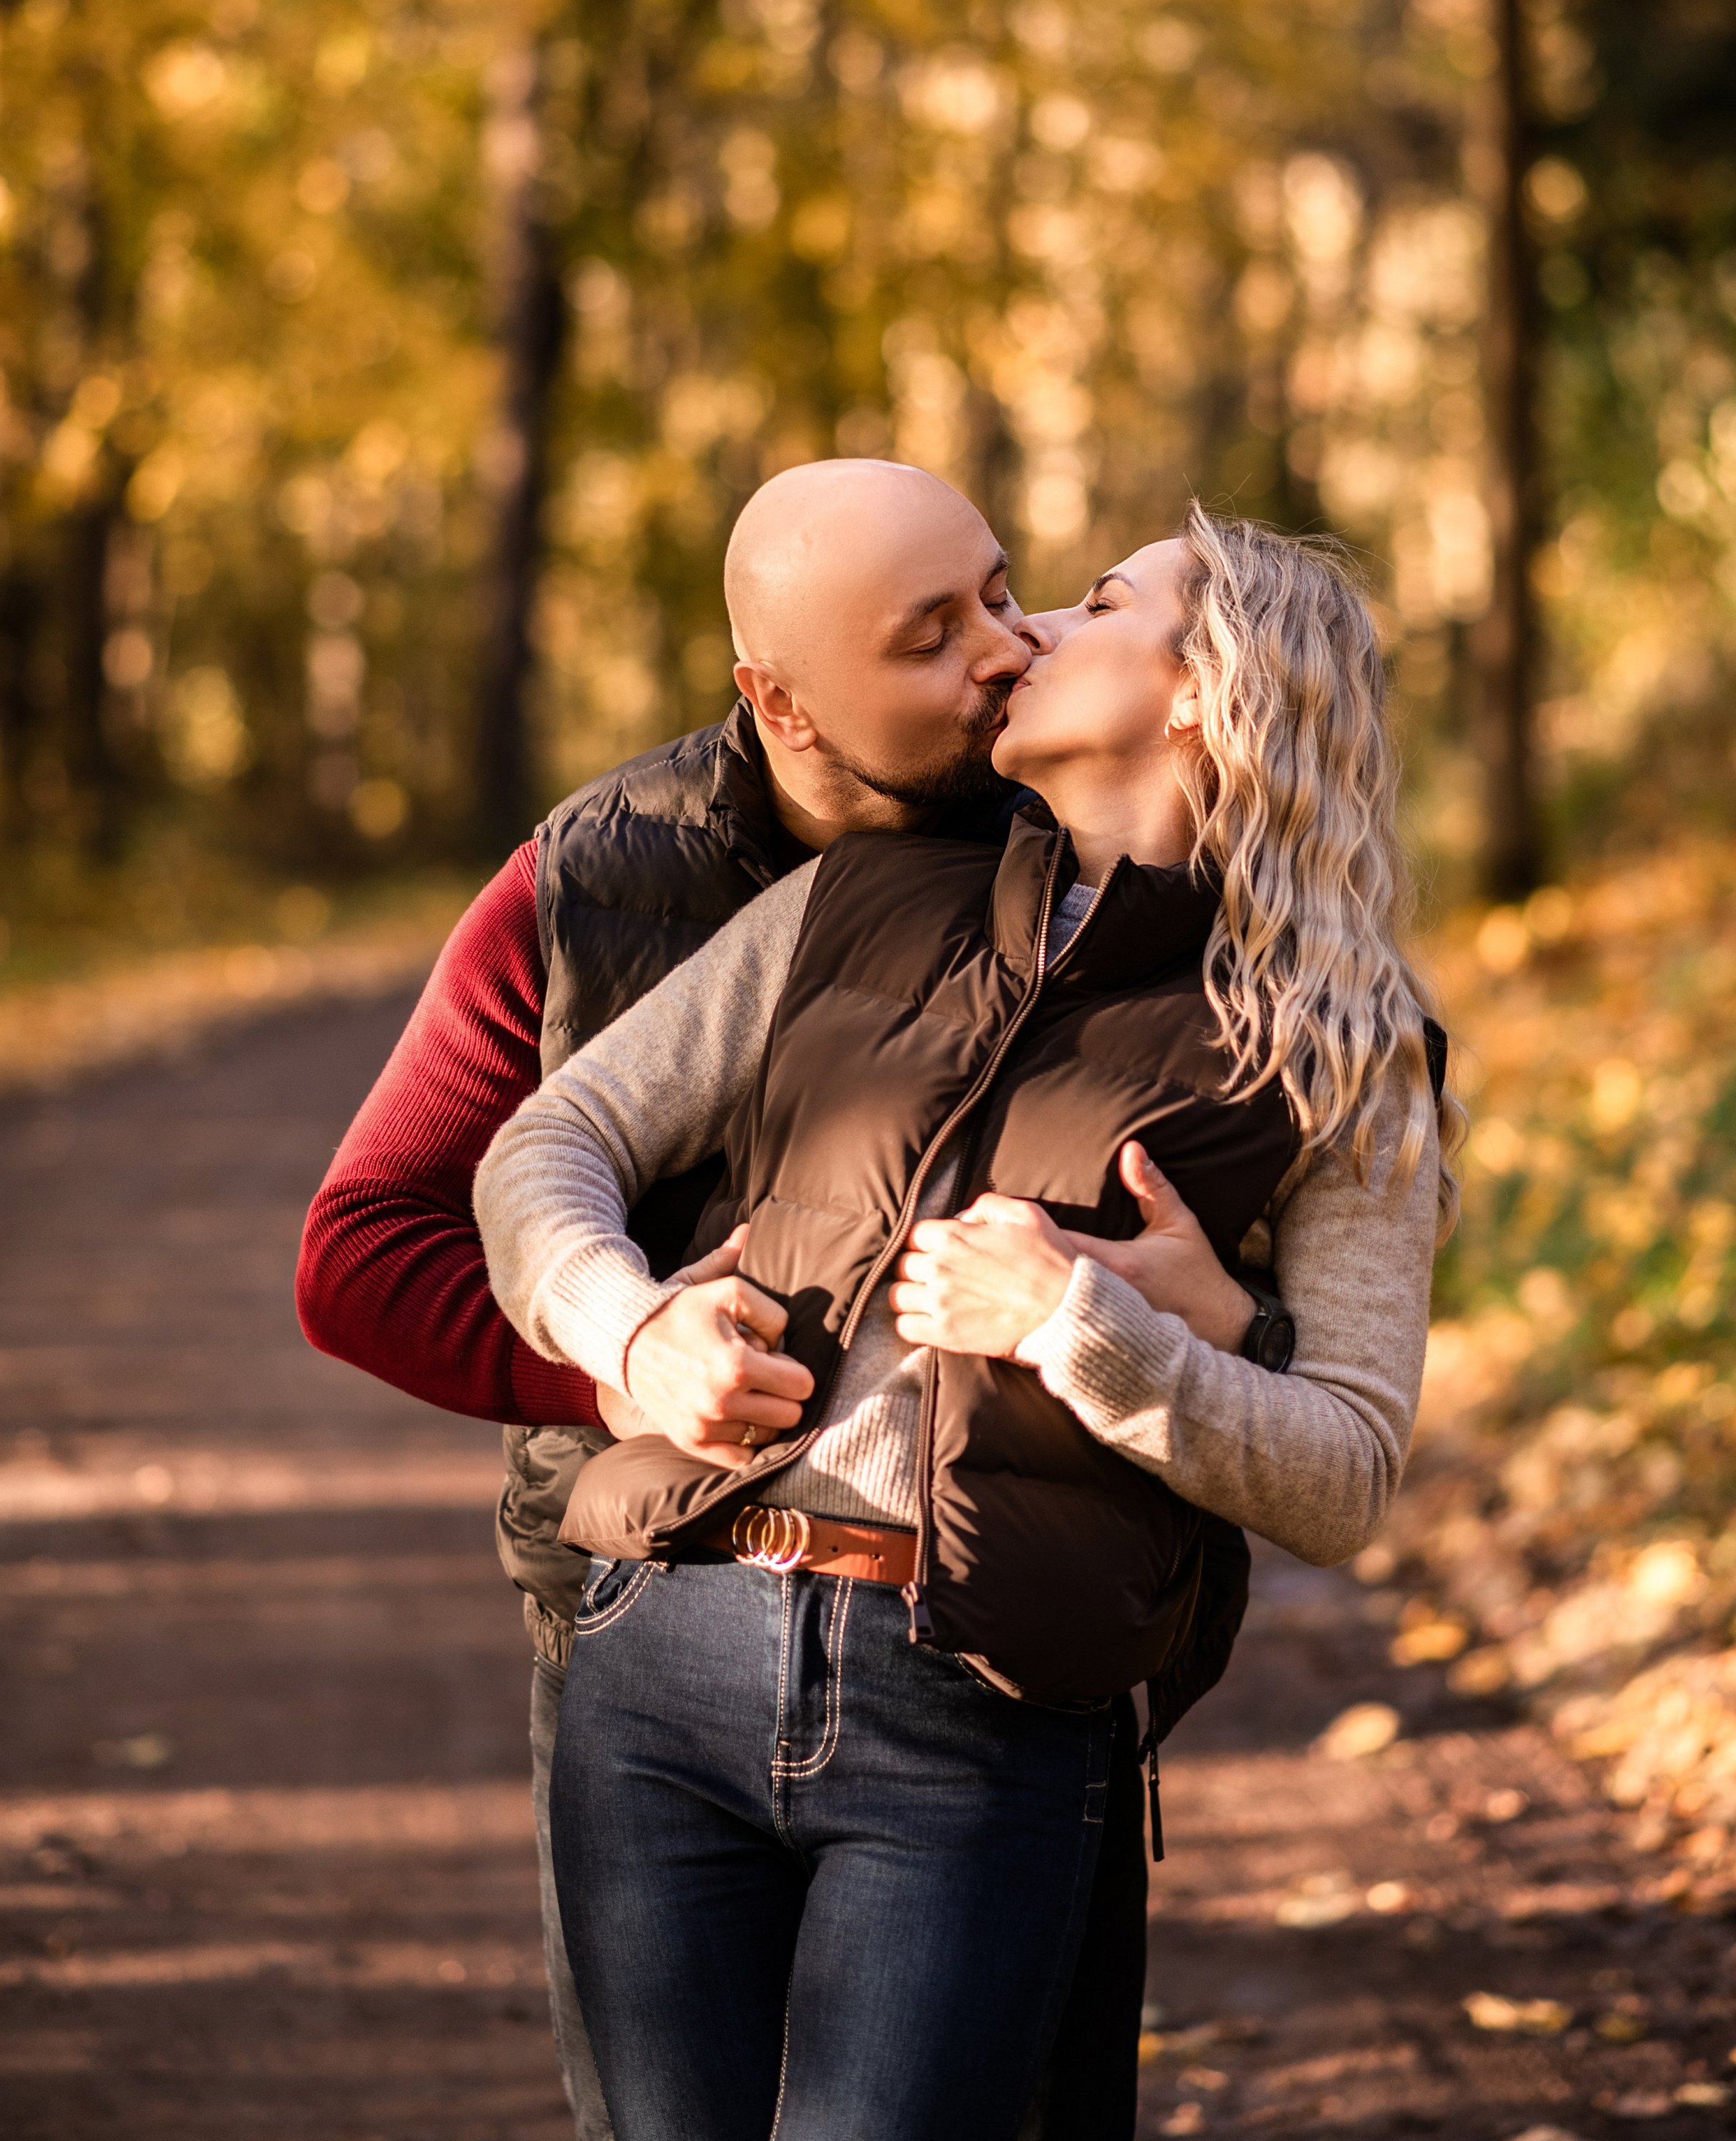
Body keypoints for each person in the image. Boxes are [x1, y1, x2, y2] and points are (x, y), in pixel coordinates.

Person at [474, 509, 1460, 2141]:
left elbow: (1346, 1472)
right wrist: (632, 1332)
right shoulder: (853, 904)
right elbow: (547, 1148)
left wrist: (1089, 1331)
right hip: (664, 1644)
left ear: (1202, 689)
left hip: (975, 1711)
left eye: (1096, 602)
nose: (1030, 634)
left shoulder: (1346, 1053)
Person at [297, 458, 1176, 2141]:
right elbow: (361, 1243)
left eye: (1001, 592)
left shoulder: (1078, 837)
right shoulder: (590, 882)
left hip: (992, 1652)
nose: (1004, 649)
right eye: (931, 638)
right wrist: (619, 1358)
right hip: (642, 1617)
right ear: (774, 698)